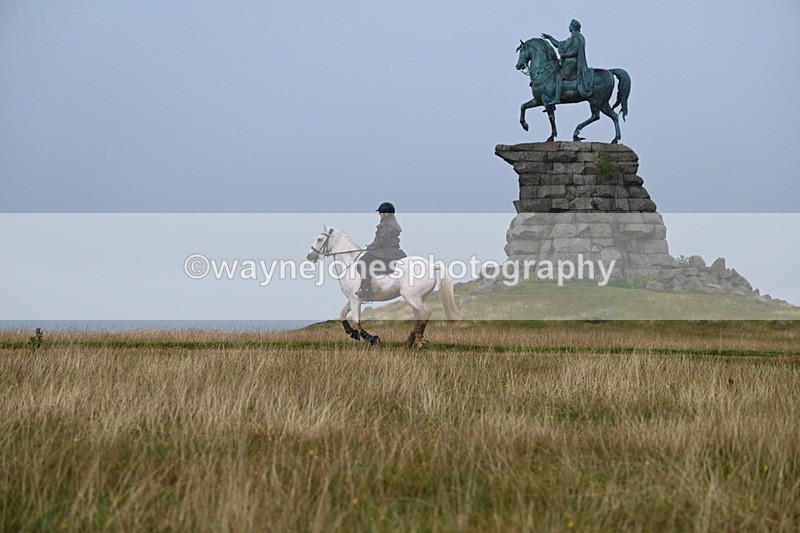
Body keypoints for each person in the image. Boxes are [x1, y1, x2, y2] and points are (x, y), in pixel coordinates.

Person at [355, 202, 407, 300]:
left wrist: (370, 247)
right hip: (390, 250)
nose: (379, 214)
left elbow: (382, 241)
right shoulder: (393, 223)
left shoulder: (387, 224)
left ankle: (366, 289)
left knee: (362, 262)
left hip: (386, 252)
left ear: (386, 213)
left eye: (380, 212)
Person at [541, 19, 594, 105]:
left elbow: (575, 51)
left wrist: (564, 55)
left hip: (572, 63)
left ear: (573, 27)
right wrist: (549, 37)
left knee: (559, 76)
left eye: (570, 25)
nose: (568, 27)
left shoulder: (577, 37)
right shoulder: (570, 39)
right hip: (568, 62)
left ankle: (557, 98)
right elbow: (558, 44)